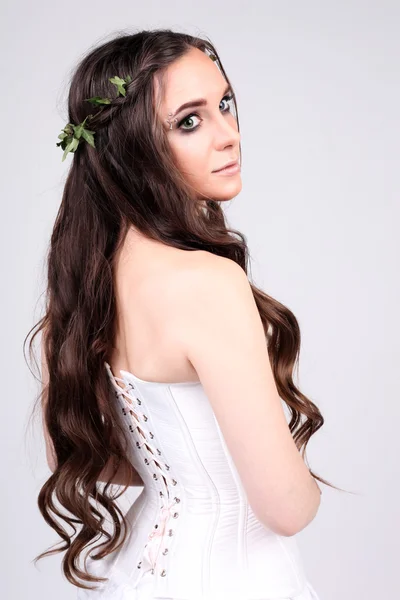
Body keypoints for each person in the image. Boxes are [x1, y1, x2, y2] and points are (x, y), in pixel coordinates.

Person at [27, 28, 337, 600]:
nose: (229, 135)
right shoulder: (206, 282)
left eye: (225, 105)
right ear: (130, 145)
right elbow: (287, 509)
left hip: (140, 575)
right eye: (189, 121)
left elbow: (78, 453)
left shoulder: (86, 277)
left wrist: (189, 478)